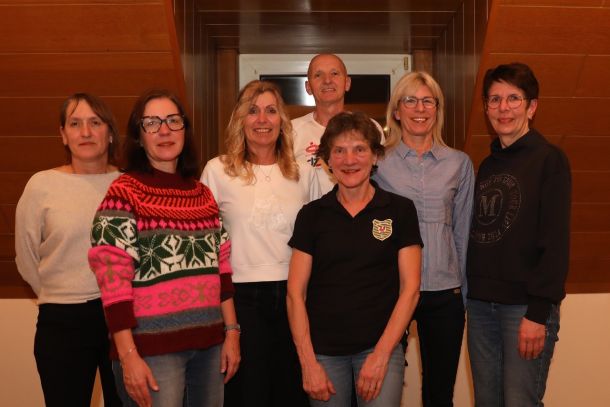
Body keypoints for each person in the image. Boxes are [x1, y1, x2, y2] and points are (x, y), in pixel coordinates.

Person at [88, 89, 239, 407]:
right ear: (139, 137)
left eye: (173, 120)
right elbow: (113, 285)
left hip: (210, 348)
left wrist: (232, 332)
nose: (164, 130)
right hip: (151, 352)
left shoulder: (202, 195)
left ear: (185, 129)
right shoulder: (124, 193)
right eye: (152, 123)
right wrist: (128, 355)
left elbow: (222, 271)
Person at [287, 111, 422, 407]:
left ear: (375, 156)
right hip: (323, 354)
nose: (349, 160)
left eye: (359, 149)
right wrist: (308, 363)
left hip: (380, 347)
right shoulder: (311, 216)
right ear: (327, 159)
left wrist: (381, 355)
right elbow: (295, 294)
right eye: (339, 151)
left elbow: (411, 290)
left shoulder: (400, 211)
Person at [201, 80, 317, 407]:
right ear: (240, 119)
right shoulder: (217, 170)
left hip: (295, 297)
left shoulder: (303, 174)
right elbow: (206, 248)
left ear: (282, 120)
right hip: (240, 299)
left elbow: (315, 242)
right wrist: (228, 324)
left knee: (292, 394)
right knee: (247, 395)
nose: (262, 119)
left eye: (270, 111)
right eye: (252, 111)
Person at [466, 62, 571, 406]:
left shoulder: (549, 160)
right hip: (480, 307)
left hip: (525, 309)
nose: (503, 108)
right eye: (495, 99)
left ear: (532, 106)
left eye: (514, 98)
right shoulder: (487, 165)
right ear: (486, 108)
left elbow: (555, 243)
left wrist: (538, 313)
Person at [14, 93, 122, 407]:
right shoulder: (42, 185)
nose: (85, 132)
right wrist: (60, 294)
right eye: (75, 124)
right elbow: (26, 256)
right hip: (62, 322)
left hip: (123, 319)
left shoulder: (128, 185)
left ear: (110, 132)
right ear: (63, 134)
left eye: (95, 122)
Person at [373, 71, 474, 407]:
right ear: (396, 110)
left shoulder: (459, 163)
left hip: (445, 293)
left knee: (439, 395)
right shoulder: (378, 163)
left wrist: (464, 296)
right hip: (392, 291)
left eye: (428, 101)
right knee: (382, 388)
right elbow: (373, 230)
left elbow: (462, 232)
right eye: (411, 100)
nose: (420, 109)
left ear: (437, 109)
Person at [292, 53, 383, 194]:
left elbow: (380, 180)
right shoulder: (291, 131)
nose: (327, 80)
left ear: (347, 83)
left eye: (334, 73)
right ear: (308, 87)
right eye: (318, 75)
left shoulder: (370, 127)